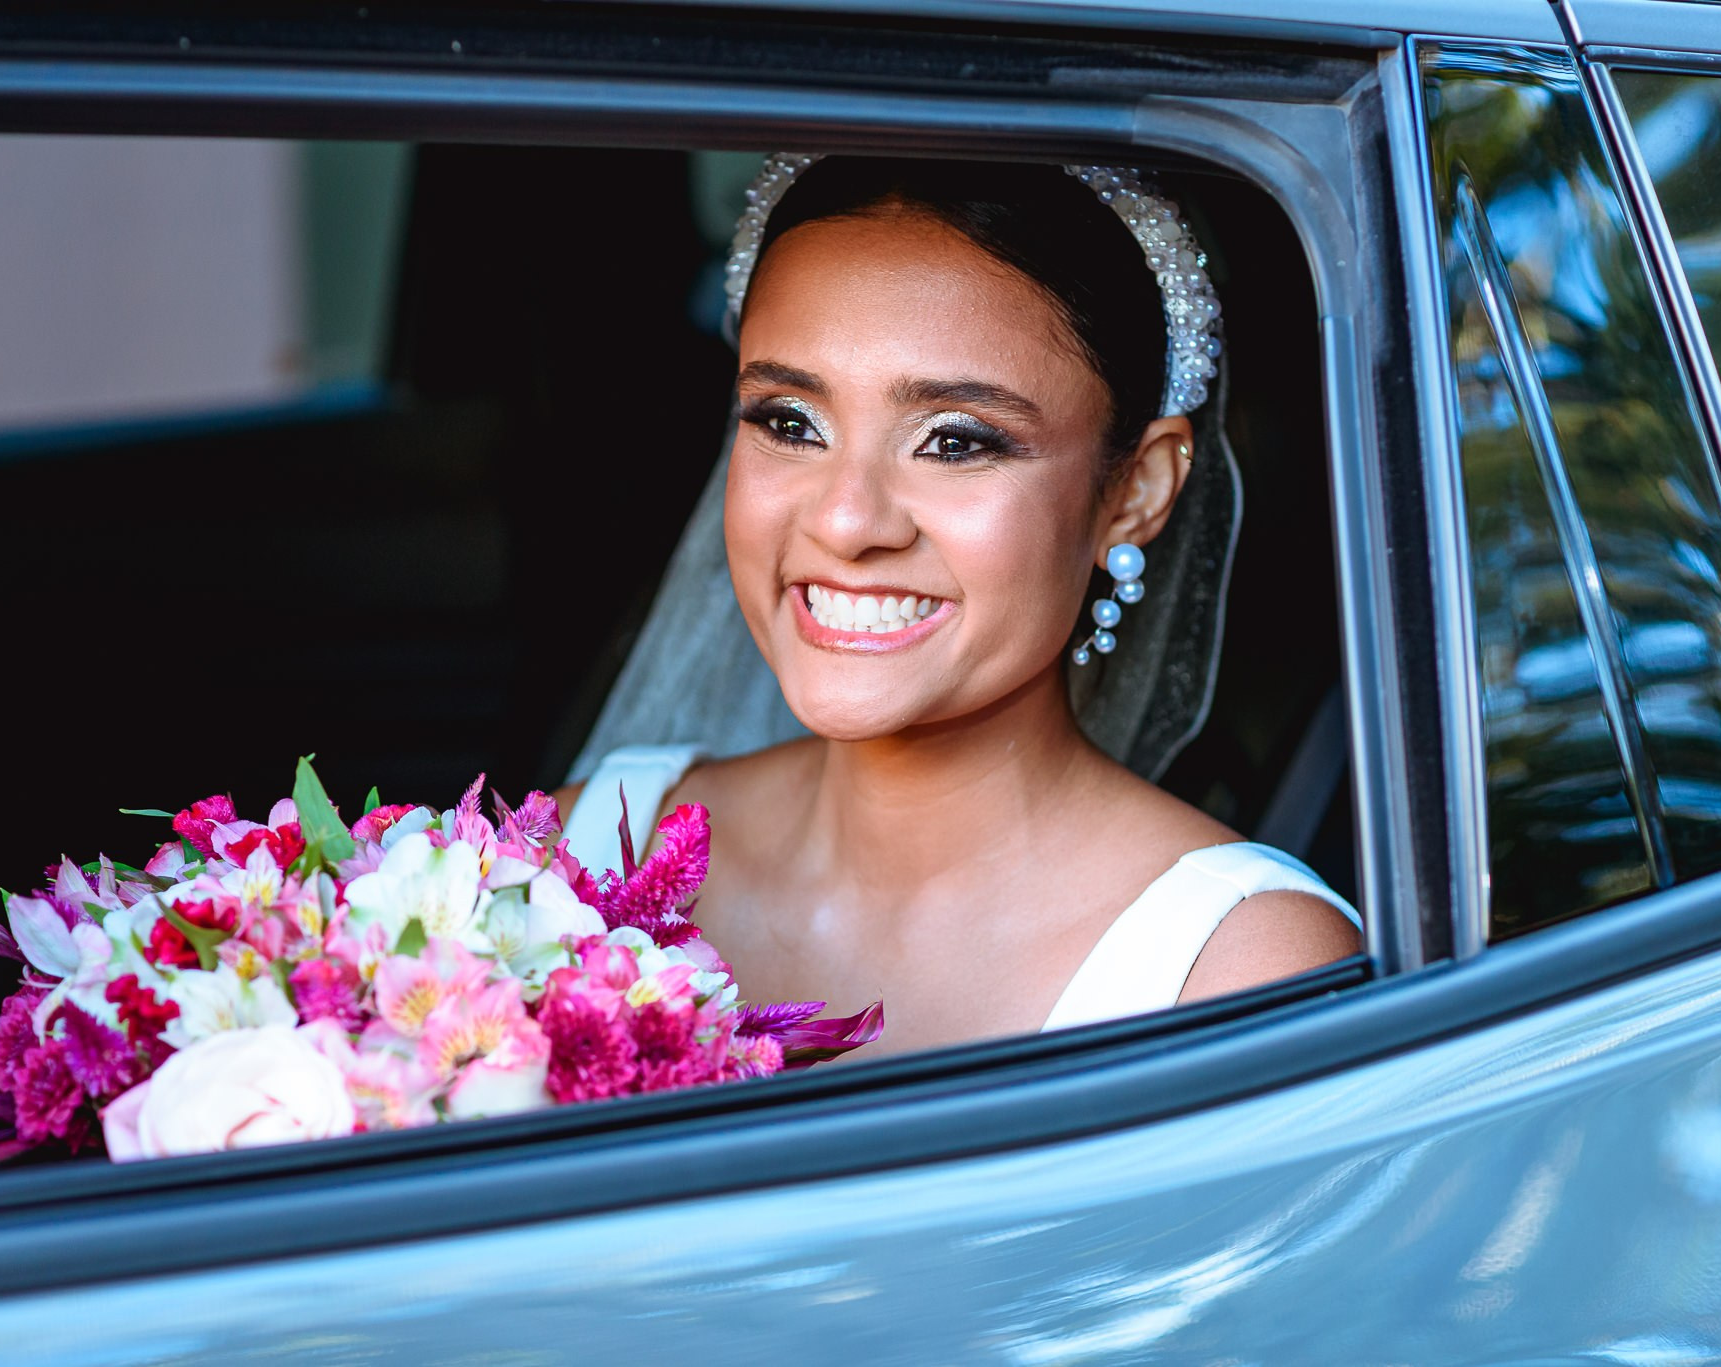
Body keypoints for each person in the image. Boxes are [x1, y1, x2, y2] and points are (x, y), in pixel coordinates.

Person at [557, 155, 1360, 1057]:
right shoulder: (575, 861)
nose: (846, 521)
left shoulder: (1238, 972)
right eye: (789, 422)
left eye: (954, 442)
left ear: (1136, 491)